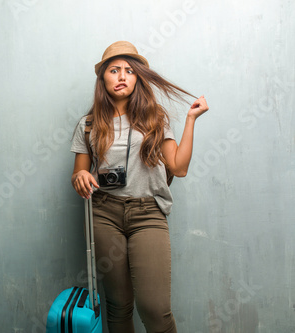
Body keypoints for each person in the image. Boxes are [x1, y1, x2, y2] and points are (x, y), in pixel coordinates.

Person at [70, 41, 209, 332]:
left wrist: (191, 120)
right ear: (103, 79)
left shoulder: (155, 118)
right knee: (118, 306)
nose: (122, 76)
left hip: (148, 214)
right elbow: (78, 174)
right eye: (114, 70)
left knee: (155, 310)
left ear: (138, 79)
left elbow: (179, 168)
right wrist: (81, 178)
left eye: (130, 71)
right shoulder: (88, 124)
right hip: (104, 214)